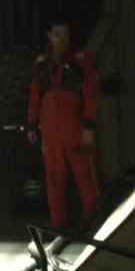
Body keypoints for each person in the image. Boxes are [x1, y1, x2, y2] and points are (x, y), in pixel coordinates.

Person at [27, 19, 99, 230]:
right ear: (50, 36)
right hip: (51, 133)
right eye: (57, 34)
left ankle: (95, 224)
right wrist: (31, 124)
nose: (62, 39)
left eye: (65, 34)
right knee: (54, 181)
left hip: (76, 130)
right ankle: (59, 225)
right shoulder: (41, 65)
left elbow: (91, 95)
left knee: (86, 180)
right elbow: (35, 96)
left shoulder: (82, 61)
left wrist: (89, 126)